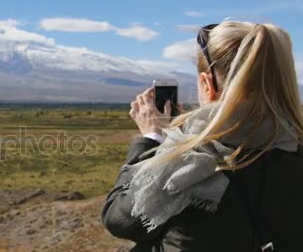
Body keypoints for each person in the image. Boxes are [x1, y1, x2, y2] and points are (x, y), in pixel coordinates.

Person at [101, 21, 303, 251]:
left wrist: (151, 138)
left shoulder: (187, 162)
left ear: (208, 85)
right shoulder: (295, 151)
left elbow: (120, 220)